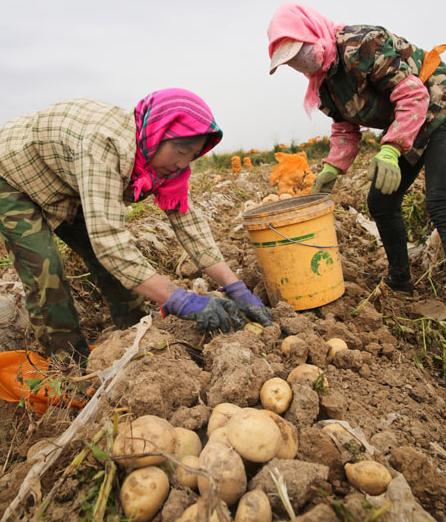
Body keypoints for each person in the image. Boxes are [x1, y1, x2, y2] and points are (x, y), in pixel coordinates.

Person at [0, 88, 271, 368]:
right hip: (13, 175)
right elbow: (109, 241)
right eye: (179, 150)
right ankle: (68, 366)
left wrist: (236, 287)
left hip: (65, 181)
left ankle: (135, 335)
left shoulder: (167, 167)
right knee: (46, 269)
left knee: (114, 263)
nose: (182, 163)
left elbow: (188, 224)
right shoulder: (105, 145)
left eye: (191, 156)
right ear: (158, 133)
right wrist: (179, 299)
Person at [267, 4, 446, 293]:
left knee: (440, 201)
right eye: (293, 62)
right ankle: (400, 282)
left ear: (314, 34)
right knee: (381, 202)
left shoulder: (361, 45)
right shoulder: (324, 88)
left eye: (301, 53)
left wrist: (391, 148)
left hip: (439, 104)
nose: (301, 64)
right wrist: (331, 168)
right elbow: (345, 129)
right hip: (409, 122)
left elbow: (413, 94)